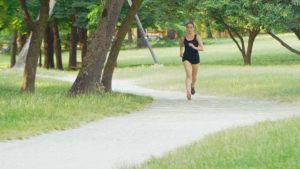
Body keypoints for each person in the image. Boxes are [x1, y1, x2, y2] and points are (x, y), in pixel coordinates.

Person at [180, 21, 204, 100]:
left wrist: (194, 47)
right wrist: (181, 52)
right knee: (188, 75)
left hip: (195, 58)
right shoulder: (183, 38)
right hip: (186, 57)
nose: (189, 29)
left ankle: (192, 86)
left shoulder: (197, 37)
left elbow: (202, 48)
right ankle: (188, 92)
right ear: (186, 28)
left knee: (194, 76)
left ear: (193, 28)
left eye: (191, 27)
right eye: (188, 27)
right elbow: (181, 45)